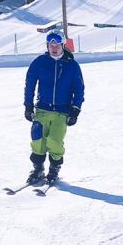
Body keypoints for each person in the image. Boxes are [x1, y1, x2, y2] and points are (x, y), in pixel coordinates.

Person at [23, 32, 84, 184]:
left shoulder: (72, 65)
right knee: (38, 140)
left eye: (57, 45)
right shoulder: (39, 62)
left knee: (55, 141)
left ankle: (54, 169)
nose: (54, 48)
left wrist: (75, 109)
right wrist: (28, 106)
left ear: (63, 46)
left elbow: (79, 88)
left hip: (62, 111)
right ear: (47, 46)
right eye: (51, 45)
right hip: (42, 109)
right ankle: (38, 169)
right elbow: (29, 85)